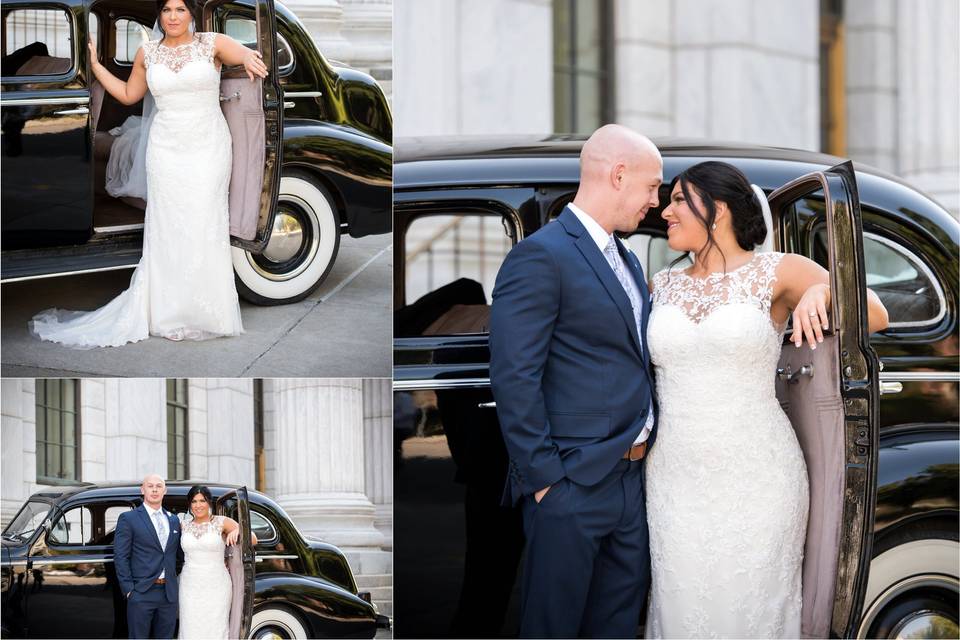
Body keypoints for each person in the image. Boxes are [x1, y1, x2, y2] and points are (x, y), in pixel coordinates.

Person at [644, 160, 889, 638]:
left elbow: (875, 313)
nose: (665, 212)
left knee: (752, 609)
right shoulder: (660, 284)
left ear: (716, 210)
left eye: (677, 200)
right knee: (681, 607)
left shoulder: (777, 272)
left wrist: (822, 290)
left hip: (758, 476)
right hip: (675, 478)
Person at [489, 124, 662, 638]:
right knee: (553, 628)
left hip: (632, 482)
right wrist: (546, 481)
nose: (655, 201)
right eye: (652, 186)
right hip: (570, 484)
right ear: (618, 174)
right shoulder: (542, 255)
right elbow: (515, 374)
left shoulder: (628, 259)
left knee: (614, 627)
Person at [28, 0, 268, 348]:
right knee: (169, 226)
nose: (173, 16)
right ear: (160, 15)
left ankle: (207, 311)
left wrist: (249, 59)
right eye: (167, 9)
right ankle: (169, 312)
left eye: (180, 9)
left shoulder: (212, 43)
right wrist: (94, 66)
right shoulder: (147, 53)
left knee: (203, 221)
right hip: (165, 149)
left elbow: (244, 55)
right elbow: (129, 94)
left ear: (191, 15)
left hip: (208, 146)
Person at [177, 484, 257, 639]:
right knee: (190, 626)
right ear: (189, 505)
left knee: (215, 626)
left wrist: (238, 530)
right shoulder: (183, 525)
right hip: (189, 585)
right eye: (194, 501)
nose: (198, 505)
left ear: (209, 503)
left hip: (216, 584)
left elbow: (253, 538)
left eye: (202, 500)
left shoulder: (221, 522)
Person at [114, 475, 183, 640]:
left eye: (159, 486)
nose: (154, 489)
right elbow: (121, 556)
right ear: (142, 490)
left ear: (164, 491)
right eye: (150, 486)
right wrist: (130, 590)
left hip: (169, 594)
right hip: (141, 592)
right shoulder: (128, 518)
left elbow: (178, 555)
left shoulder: (174, 520)